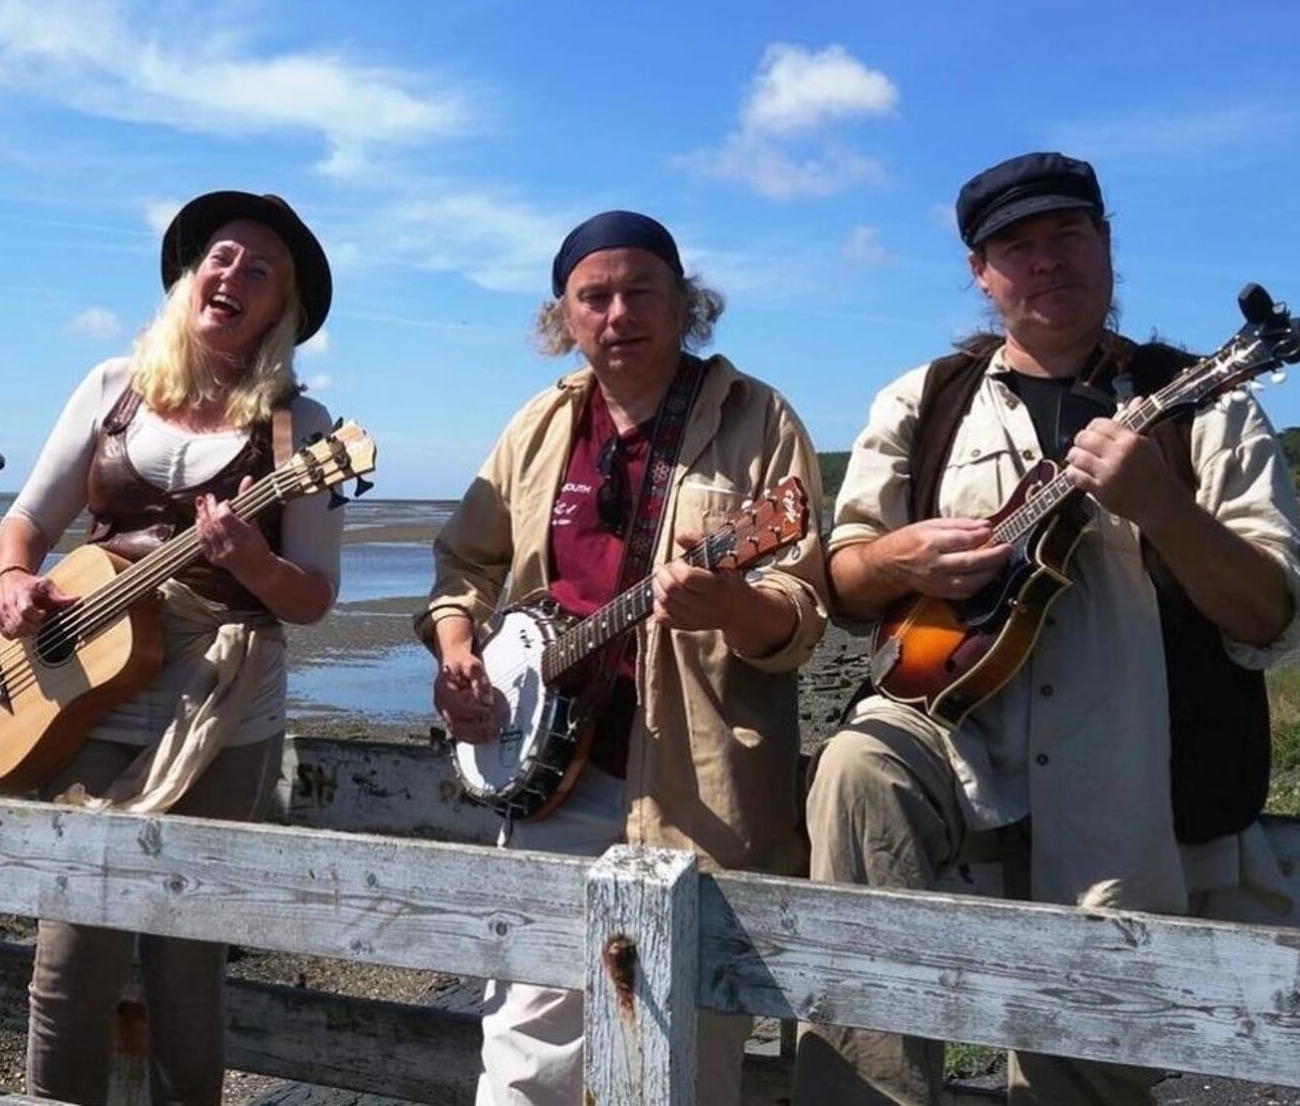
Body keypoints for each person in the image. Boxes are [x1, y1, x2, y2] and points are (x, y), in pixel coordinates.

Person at [794, 151, 1300, 1104]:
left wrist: (1165, 510)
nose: (1047, 261)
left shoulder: (1209, 403)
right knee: (856, 767)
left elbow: (1269, 616)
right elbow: (843, 581)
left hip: (1134, 765)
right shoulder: (925, 401)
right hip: (952, 726)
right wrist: (901, 560)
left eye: (1068, 234)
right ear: (981, 275)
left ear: (1107, 246)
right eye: (1016, 247)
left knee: (1087, 1058)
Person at [418, 210, 829, 1105]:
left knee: (685, 1064)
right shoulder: (540, 424)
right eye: (593, 296)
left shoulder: (759, 419)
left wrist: (731, 602)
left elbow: (801, 616)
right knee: (527, 1058)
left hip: (699, 792)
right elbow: (465, 563)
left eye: (641, 290)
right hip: (551, 781)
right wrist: (460, 657)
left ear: (685, 303)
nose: (618, 313)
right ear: (562, 316)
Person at [0, 190, 342, 1103]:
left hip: (223, 714)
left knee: (186, 963)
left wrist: (255, 563)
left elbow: (311, 597)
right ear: (191, 277)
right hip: (87, 691)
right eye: (222, 258)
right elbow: (26, 520)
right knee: (69, 959)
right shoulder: (112, 385)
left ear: (280, 311)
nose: (235, 277)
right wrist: (10, 582)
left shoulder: (304, 429)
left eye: (261, 271)